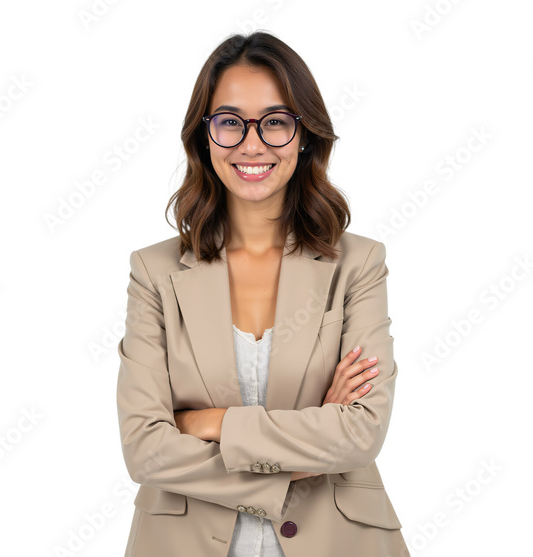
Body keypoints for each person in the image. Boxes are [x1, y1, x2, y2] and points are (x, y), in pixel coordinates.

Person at [116, 32, 409, 556]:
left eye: (275, 121)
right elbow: (146, 452)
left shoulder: (359, 264)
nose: (252, 144)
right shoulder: (154, 272)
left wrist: (209, 424)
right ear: (204, 137)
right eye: (230, 122)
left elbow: (361, 434)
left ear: (305, 135)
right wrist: (306, 451)